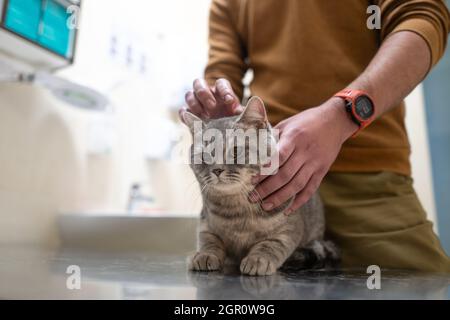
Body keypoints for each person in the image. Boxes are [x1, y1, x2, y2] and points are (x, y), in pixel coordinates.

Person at [181, 0, 450, 273]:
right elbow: (223, 69)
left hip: (368, 181)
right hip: (265, 180)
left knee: (426, 285)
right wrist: (215, 101)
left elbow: (422, 17)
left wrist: (343, 114)